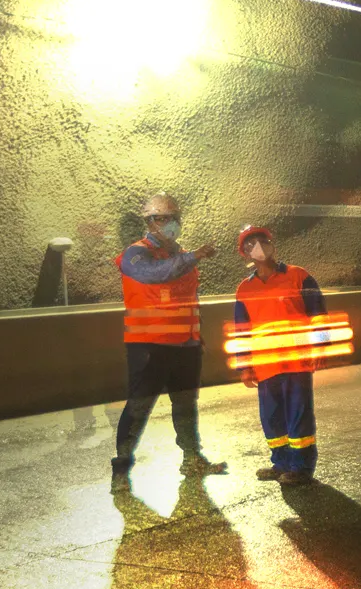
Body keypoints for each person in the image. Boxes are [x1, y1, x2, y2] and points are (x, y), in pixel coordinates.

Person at [113, 193, 225, 482]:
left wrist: (196, 338)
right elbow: (155, 275)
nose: (171, 223)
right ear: (150, 223)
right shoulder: (135, 254)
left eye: (174, 218)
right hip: (150, 347)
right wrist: (194, 256)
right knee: (139, 406)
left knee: (186, 404)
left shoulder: (181, 254)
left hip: (186, 346)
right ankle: (122, 466)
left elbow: (187, 297)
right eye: (163, 218)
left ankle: (192, 458)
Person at [231, 225, 326, 484]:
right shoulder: (244, 290)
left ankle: (301, 469)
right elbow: (242, 331)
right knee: (271, 417)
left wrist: (319, 346)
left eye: (262, 241)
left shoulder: (299, 276)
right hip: (265, 365)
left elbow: (318, 315)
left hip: (297, 361)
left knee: (298, 415)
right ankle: (281, 464)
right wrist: (244, 365)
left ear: (273, 244)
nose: (258, 247)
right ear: (244, 253)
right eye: (250, 244)